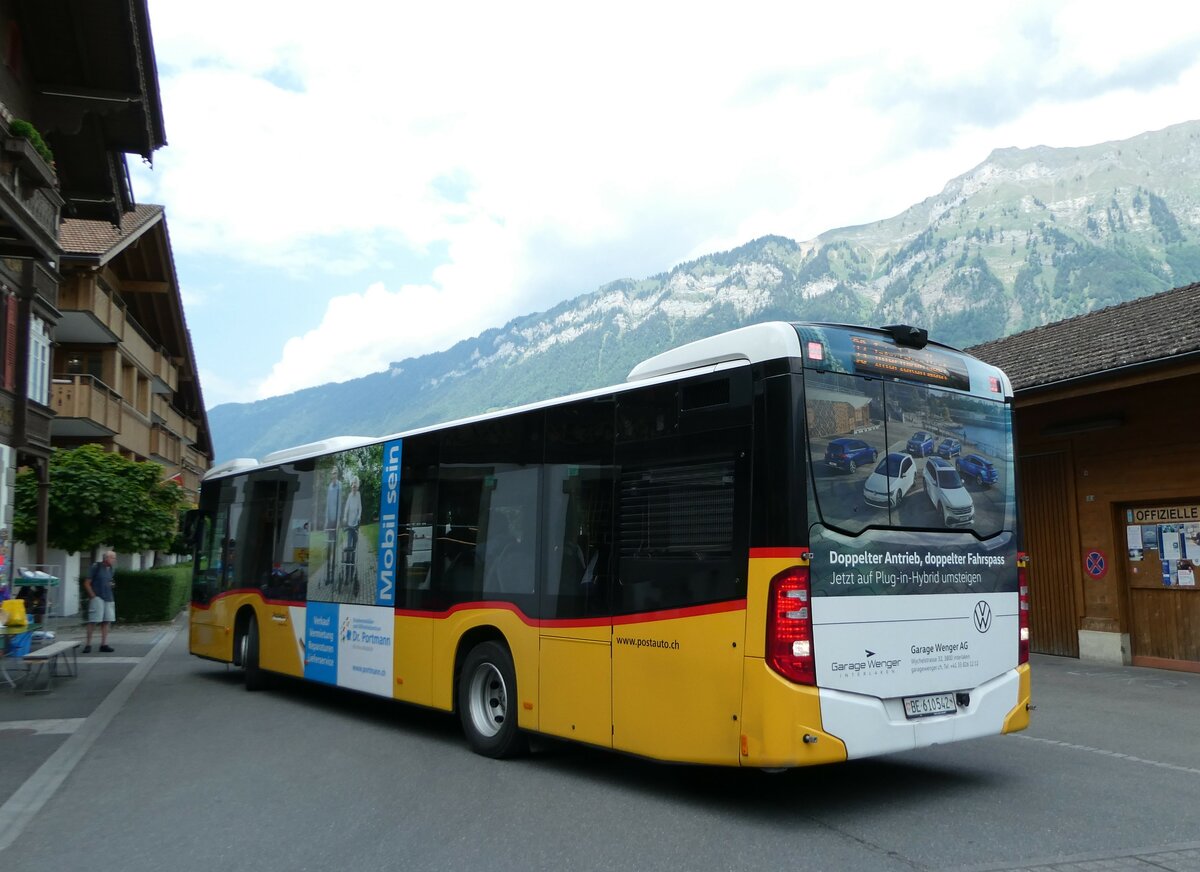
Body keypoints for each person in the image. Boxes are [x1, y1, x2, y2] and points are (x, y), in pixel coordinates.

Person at [84, 550, 117, 653]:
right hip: (98, 597)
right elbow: (87, 583)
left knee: (106, 621)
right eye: (112, 558)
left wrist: (111, 585)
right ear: (106, 558)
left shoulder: (111, 569)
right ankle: (88, 644)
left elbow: (110, 580)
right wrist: (93, 596)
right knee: (93, 620)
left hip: (108, 597)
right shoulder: (96, 567)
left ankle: (104, 644)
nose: (114, 560)